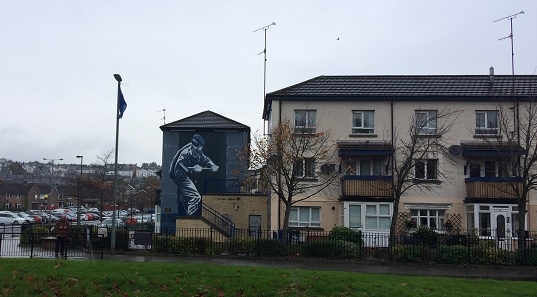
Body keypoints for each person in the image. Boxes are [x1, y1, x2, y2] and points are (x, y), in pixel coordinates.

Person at [169, 134, 219, 216]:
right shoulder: (186, 153)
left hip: (184, 174)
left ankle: (184, 199)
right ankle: (190, 216)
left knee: (189, 195)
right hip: (179, 175)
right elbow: (180, 164)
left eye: (197, 145)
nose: (195, 147)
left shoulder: (197, 152)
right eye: (194, 144)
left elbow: (205, 159)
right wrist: (192, 169)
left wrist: (212, 165)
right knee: (196, 197)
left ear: (201, 147)